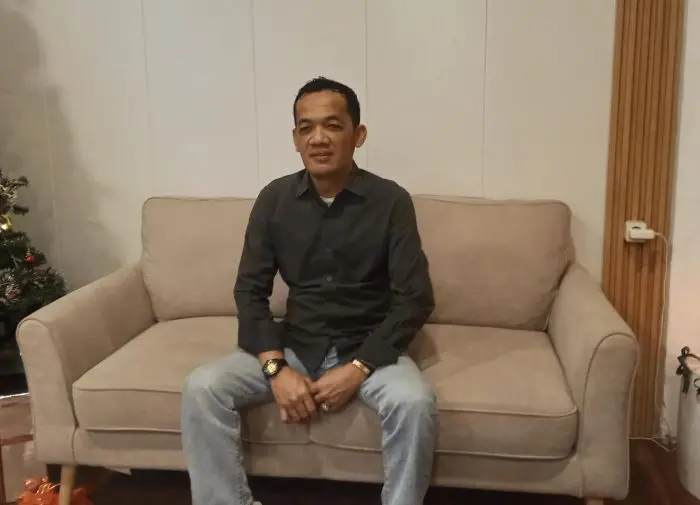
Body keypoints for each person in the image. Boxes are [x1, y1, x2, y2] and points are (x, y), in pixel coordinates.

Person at [180, 76, 437, 505]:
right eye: (306, 128)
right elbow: (250, 291)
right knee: (202, 387)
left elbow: (415, 298)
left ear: (358, 134)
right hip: (297, 342)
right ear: (296, 139)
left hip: (367, 345)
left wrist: (358, 367)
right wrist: (275, 369)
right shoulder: (274, 199)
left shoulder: (391, 201)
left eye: (333, 126)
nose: (318, 138)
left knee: (414, 402)